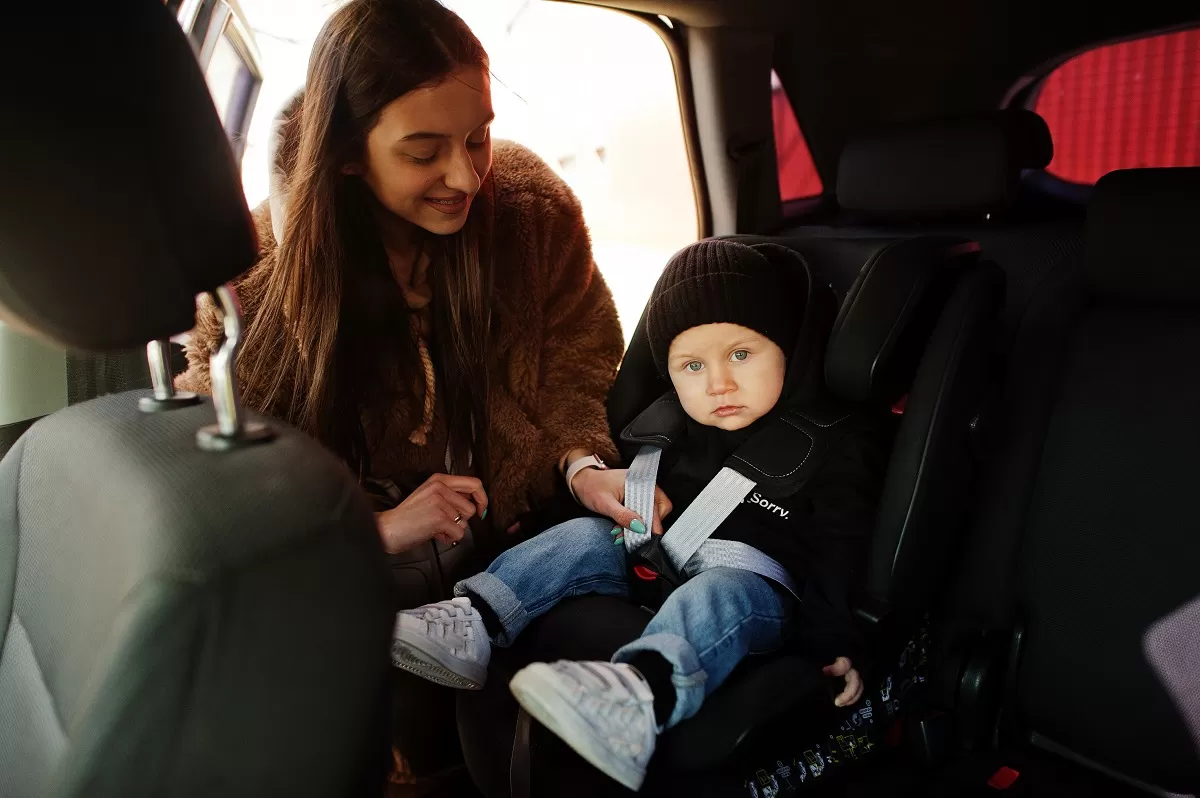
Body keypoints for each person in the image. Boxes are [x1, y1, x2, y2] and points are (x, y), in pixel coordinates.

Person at [174, 0, 654, 786]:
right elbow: (238, 490)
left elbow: (578, 359)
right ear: (350, 154)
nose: (466, 175)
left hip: (515, 543)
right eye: (425, 151)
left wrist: (581, 464)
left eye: (478, 137)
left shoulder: (530, 214)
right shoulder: (255, 281)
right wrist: (375, 527)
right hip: (352, 584)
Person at [391, 239, 892, 791]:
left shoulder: (832, 441)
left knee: (717, 593)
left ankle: (636, 695)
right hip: (649, 556)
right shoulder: (664, 421)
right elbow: (611, 486)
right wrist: (540, 526)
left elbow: (842, 547)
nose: (718, 383)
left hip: (753, 588)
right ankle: (475, 619)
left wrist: (834, 640)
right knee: (583, 533)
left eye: (742, 355)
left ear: (788, 350)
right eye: (693, 365)